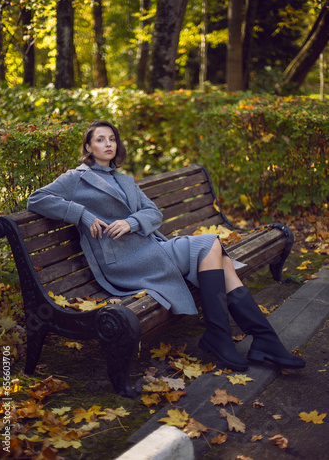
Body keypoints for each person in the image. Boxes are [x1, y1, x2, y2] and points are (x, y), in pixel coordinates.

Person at [28, 120, 305, 372]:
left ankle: (253, 339)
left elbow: (153, 212)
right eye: (100, 139)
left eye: (112, 138)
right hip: (124, 261)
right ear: (88, 146)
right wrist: (83, 215)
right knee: (211, 245)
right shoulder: (76, 178)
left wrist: (132, 222)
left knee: (218, 255)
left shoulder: (124, 179)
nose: (108, 144)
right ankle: (242, 338)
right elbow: (37, 199)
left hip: (150, 248)